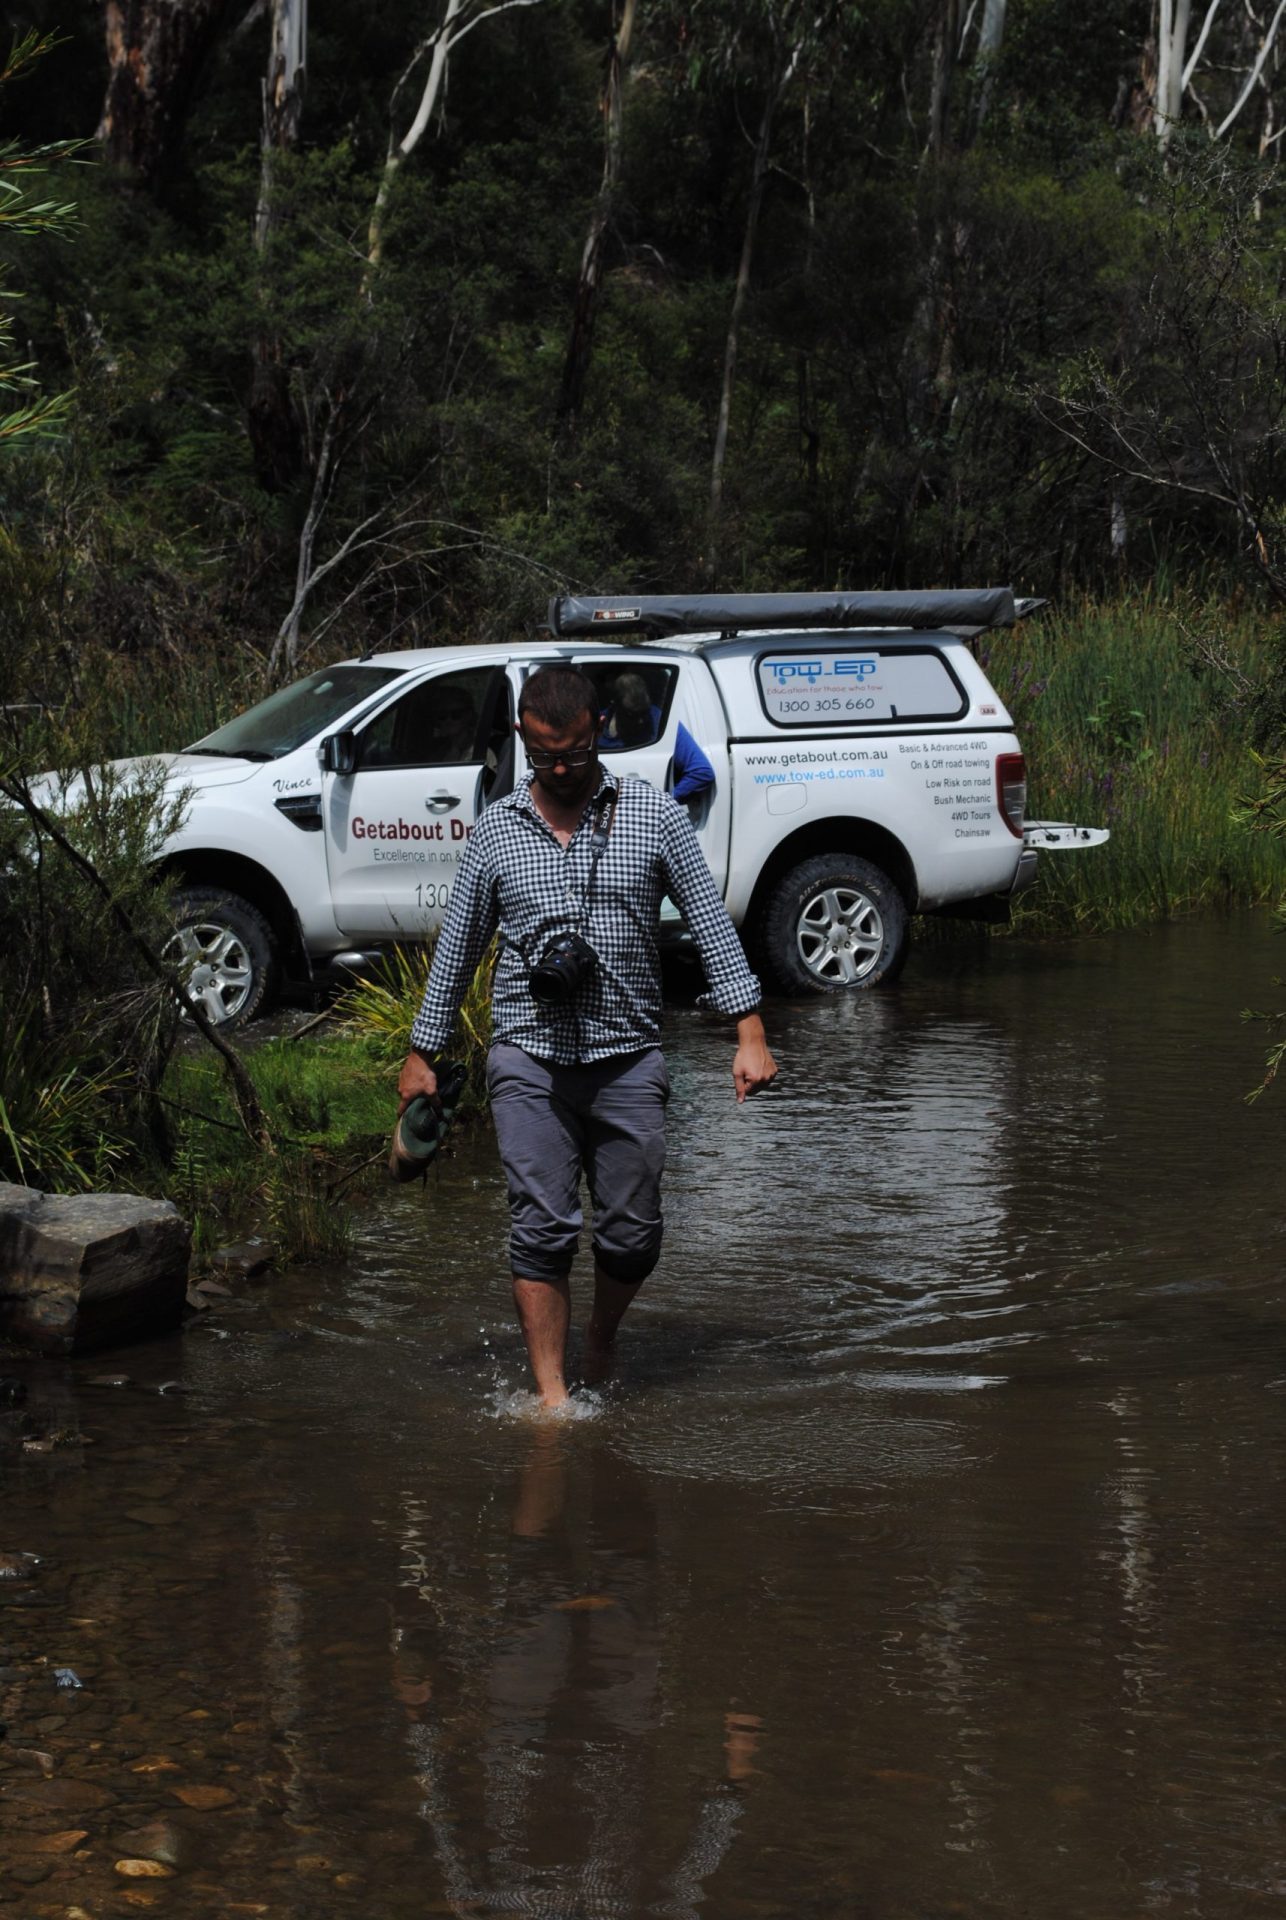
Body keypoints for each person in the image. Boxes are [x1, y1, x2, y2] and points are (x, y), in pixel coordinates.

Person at [397, 664, 777, 1410]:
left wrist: (750, 1029)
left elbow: (707, 919)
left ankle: (600, 1333)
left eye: (572, 753)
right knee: (541, 1228)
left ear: (598, 729)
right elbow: (459, 948)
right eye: (544, 757)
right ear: (522, 740)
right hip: (528, 1056)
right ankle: (551, 1399)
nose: (561, 770)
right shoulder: (497, 831)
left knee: (633, 1234)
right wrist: (422, 1052)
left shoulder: (654, 816)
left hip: (629, 1054)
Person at [597, 670, 716, 806]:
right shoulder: (597, 726)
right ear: (615, 704)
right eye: (633, 714)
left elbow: (701, 771)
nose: (641, 721)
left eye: (644, 712)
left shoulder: (660, 720)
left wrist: (664, 803)